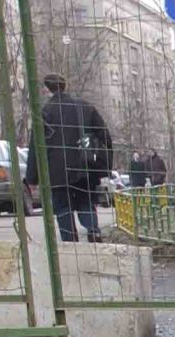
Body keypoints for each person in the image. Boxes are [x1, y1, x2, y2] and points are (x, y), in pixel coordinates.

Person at [23, 73, 112, 243]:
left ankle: (70, 240)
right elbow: (104, 136)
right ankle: (93, 231)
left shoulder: (44, 113)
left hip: (57, 171)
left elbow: (35, 146)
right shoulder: (85, 107)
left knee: (63, 206)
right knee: (86, 201)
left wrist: (32, 178)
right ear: (65, 87)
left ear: (45, 90)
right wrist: (104, 165)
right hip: (85, 166)